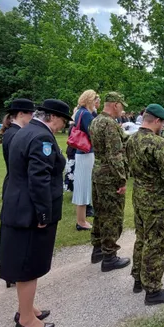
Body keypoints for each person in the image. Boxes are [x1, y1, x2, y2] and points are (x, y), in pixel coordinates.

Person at [0, 99, 72, 327]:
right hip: (30, 212)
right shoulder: (42, 137)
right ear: (52, 116)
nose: (63, 126)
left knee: (25, 262)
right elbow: (38, 178)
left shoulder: (25, 130)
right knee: (29, 265)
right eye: (63, 120)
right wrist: (43, 213)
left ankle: (27, 308)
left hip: (19, 207)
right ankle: (26, 319)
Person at [126, 104, 164, 305]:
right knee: (155, 243)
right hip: (156, 200)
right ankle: (153, 289)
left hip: (139, 196)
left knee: (142, 238)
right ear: (157, 121)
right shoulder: (157, 144)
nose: (163, 126)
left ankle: (138, 279)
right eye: (163, 123)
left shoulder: (132, 140)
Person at [88, 92, 130, 271]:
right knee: (112, 216)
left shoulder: (95, 120)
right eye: (121, 105)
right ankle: (109, 256)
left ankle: (98, 249)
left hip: (97, 172)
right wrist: (121, 179)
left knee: (100, 213)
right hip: (109, 175)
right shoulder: (110, 124)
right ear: (115, 105)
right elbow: (115, 155)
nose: (122, 109)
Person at [0, 98, 36, 289]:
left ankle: (11, 271)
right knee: (15, 234)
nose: (33, 117)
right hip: (17, 183)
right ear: (21, 114)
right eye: (30, 114)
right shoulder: (15, 134)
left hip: (13, 182)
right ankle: (12, 271)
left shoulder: (14, 132)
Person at [70, 90, 97, 231]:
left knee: (83, 185)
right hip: (86, 152)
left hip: (82, 152)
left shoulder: (80, 112)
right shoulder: (86, 114)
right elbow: (93, 133)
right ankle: (81, 221)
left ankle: (82, 219)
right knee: (83, 186)